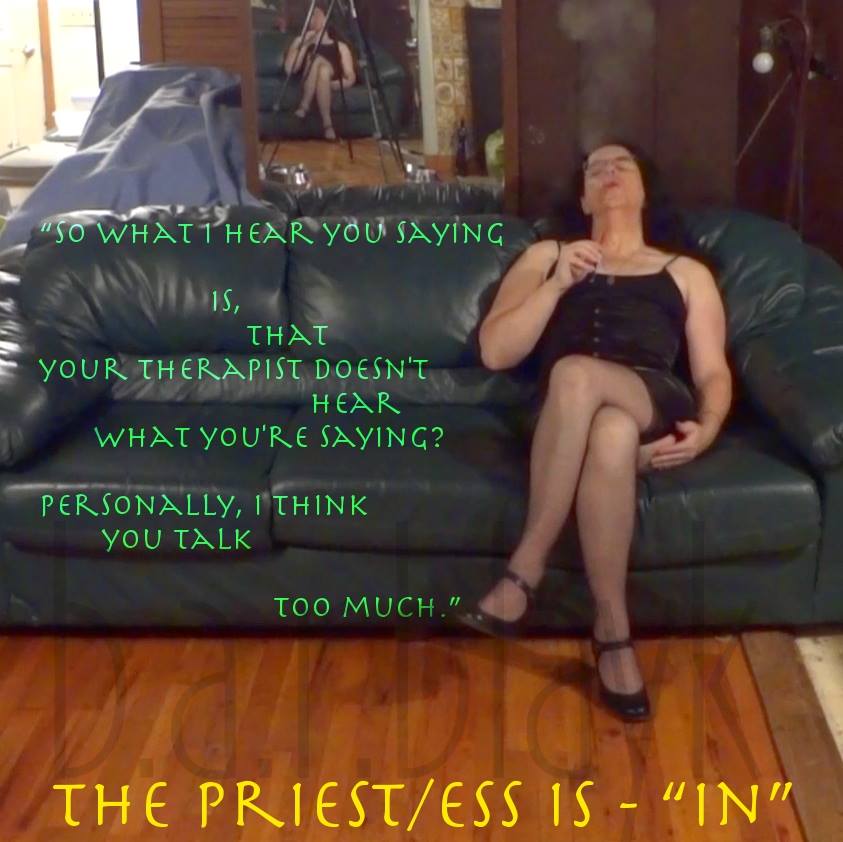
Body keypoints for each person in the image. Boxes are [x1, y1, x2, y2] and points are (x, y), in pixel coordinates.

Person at [455, 142, 733, 721]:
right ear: (583, 199)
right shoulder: (547, 256)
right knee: (607, 430)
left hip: (651, 396)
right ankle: (612, 630)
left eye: (621, 165)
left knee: (580, 375)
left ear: (643, 190)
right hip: (562, 417)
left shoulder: (685, 273)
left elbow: (711, 371)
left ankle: (523, 572)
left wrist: (707, 428)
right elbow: (496, 351)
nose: (608, 173)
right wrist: (557, 284)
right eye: (595, 169)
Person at [282, 5, 357, 141]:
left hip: (330, 81)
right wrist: (305, 44)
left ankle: (304, 106)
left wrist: (335, 84)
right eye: (311, 15)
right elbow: (290, 69)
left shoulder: (340, 46)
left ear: (327, 19)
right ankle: (328, 125)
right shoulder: (301, 41)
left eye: (317, 15)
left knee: (320, 64)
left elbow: (350, 76)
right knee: (319, 66)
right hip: (308, 80)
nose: (313, 19)